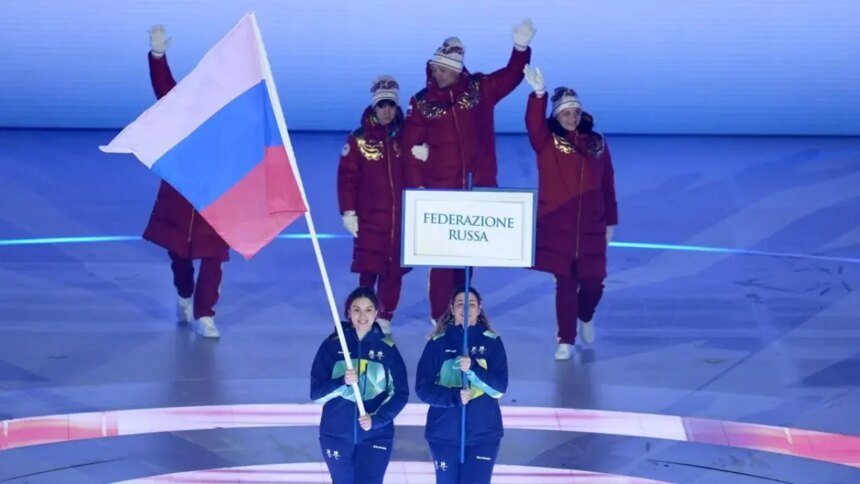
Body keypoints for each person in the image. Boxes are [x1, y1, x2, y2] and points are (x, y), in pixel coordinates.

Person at [401, 20, 536, 325]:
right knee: (440, 259)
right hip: (440, 192)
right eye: (435, 68)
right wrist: (418, 185)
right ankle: (439, 318)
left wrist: (520, 48)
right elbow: (409, 146)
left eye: (443, 69)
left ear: (457, 70)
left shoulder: (479, 89)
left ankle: (460, 315)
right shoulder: (421, 102)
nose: (437, 74)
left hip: (478, 189)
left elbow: (511, 75)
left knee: (466, 257)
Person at [523, 65, 619, 360]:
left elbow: (607, 183)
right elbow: (533, 123)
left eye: (576, 112)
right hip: (558, 226)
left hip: (591, 226)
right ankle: (565, 339)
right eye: (566, 113)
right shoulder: (546, 142)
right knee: (565, 283)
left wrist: (611, 221)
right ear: (556, 115)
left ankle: (586, 315)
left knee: (594, 282)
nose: (572, 117)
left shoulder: (597, 142)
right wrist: (539, 95)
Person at [144, 25, 228, 338]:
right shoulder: (183, 111)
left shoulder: (233, 119)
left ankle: (205, 315)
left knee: (214, 257)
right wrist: (158, 55)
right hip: (180, 197)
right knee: (179, 255)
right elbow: (164, 88)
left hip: (215, 198)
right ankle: (184, 295)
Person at [310, 287, 409, 484]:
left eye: (368, 310)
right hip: (336, 434)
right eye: (356, 310)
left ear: (376, 313)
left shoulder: (387, 349)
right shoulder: (332, 346)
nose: (362, 316)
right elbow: (316, 394)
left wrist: (377, 420)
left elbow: (400, 394)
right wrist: (342, 382)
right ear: (348, 312)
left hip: (376, 435)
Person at [337, 76, 411, 335]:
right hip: (370, 220)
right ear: (374, 107)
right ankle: (363, 313)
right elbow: (347, 178)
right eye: (382, 105)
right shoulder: (358, 139)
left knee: (394, 272)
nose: (386, 111)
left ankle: (385, 315)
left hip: (400, 220)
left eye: (391, 105)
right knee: (368, 269)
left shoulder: (407, 135)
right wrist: (348, 211)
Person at [415, 287, 508, 484]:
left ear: (479, 309)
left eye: (471, 304)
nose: (466, 309)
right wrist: (454, 397)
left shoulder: (492, 342)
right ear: (452, 308)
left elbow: (499, 388)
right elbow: (423, 389)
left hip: (483, 435)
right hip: (443, 435)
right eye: (460, 304)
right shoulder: (437, 344)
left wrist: (473, 368)